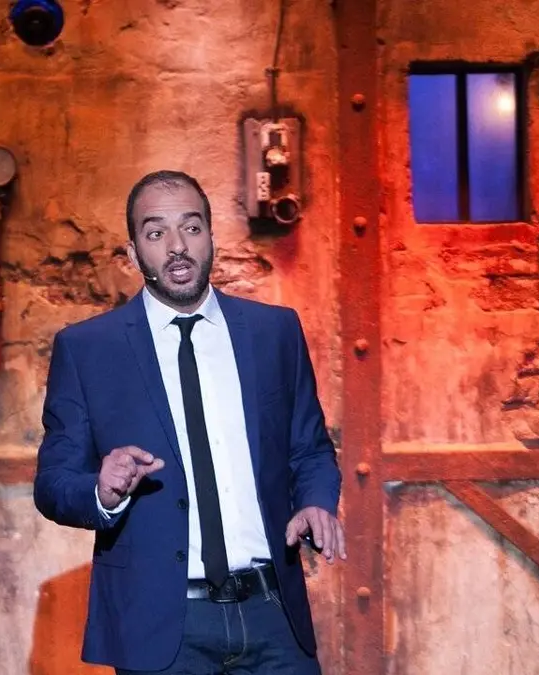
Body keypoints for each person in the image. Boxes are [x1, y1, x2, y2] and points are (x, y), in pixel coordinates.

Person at [34, 169, 345, 674]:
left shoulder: (274, 332)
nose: (177, 246)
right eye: (156, 232)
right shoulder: (88, 349)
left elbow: (309, 448)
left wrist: (315, 502)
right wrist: (102, 492)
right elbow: (53, 485)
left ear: (211, 237)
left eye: (192, 227)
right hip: (163, 630)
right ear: (133, 252)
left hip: (273, 615)